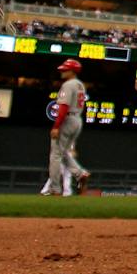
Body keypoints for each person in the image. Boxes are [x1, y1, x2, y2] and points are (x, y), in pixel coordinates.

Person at [42, 59, 90, 196]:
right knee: (63, 153)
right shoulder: (80, 85)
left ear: (72, 71)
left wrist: (56, 126)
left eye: (65, 69)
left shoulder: (68, 85)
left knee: (55, 155)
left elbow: (63, 107)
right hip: (77, 120)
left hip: (67, 119)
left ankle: (55, 189)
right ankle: (80, 174)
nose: (62, 71)